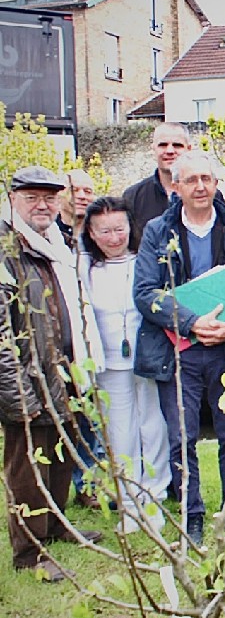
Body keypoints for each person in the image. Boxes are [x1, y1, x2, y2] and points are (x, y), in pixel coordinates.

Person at [133, 150, 225, 546]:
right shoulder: (157, 231)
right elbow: (145, 293)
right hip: (178, 351)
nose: (200, 186)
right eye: (191, 180)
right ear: (176, 186)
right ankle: (192, 516)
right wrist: (191, 323)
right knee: (182, 438)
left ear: (217, 183)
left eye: (207, 178)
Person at [0, 166, 103, 583]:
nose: (42, 205)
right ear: (13, 200)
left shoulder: (55, 240)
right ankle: (28, 552)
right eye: (32, 198)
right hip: (29, 376)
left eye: (49, 197)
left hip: (64, 372)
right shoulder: (8, 247)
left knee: (62, 453)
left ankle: (57, 527)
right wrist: (16, 389)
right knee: (28, 465)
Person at [79, 196, 170, 535]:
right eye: (104, 231)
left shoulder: (144, 261)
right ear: (91, 232)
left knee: (153, 428)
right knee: (121, 434)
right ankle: (130, 505)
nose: (113, 238)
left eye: (119, 229)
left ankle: (156, 499)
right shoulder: (85, 269)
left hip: (148, 360)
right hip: (110, 365)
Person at [55, 168, 105, 510]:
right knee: (65, 413)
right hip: (61, 335)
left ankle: (89, 484)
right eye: (76, 189)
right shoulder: (51, 233)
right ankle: (64, 482)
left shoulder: (92, 234)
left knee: (90, 413)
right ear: (61, 194)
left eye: (89, 190)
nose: (83, 196)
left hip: (93, 333)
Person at [123, 122, 192, 239]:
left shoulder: (207, 195)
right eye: (163, 145)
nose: (170, 151)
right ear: (153, 149)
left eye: (177, 145)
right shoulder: (133, 197)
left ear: (188, 149)